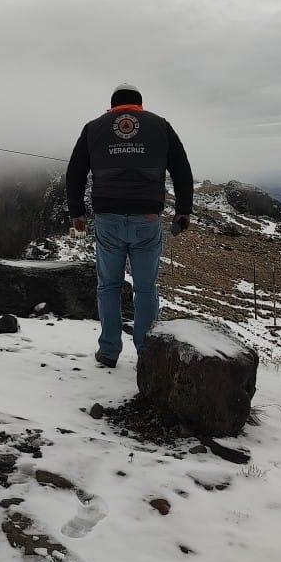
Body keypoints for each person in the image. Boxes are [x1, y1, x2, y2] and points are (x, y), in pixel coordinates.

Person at [66, 84, 194, 368]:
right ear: (140, 105)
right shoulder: (161, 126)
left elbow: (74, 173)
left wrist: (77, 213)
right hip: (146, 218)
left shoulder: (94, 128)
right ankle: (146, 353)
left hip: (108, 217)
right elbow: (182, 169)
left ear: (113, 106)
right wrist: (183, 211)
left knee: (108, 286)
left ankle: (109, 351)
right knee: (146, 289)